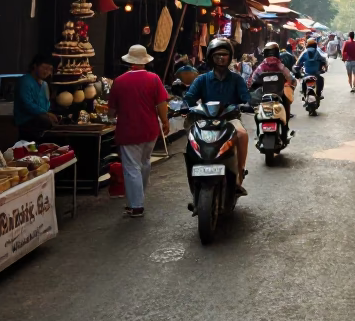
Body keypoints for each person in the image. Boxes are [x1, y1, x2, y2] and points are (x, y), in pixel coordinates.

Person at [107, 45, 170, 219]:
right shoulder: (154, 79)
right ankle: (137, 199)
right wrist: (165, 121)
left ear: (129, 61)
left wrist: (112, 115)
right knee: (145, 162)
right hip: (150, 129)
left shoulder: (119, 81)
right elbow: (161, 104)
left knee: (132, 167)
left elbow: (111, 111)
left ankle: (136, 206)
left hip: (129, 130)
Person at [184, 38, 252, 193]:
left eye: (224, 54)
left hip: (230, 119)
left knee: (242, 134)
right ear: (210, 58)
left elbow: (245, 97)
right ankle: (194, 176)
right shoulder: (202, 79)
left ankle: (239, 175)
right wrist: (186, 107)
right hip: (205, 120)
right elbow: (189, 98)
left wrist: (245, 104)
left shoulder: (236, 79)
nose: (221, 58)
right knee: (192, 140)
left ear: (230, 57)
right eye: (217, 55)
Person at [14, 53, 58, 142]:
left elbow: (46, 104)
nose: (47, 72)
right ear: (35, 66)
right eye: (44, 68)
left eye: (50, 69)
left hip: (41, 121)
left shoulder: (44, 84)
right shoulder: (25, 81)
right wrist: (46, 114)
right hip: (27, 122)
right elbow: (27, 104)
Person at [249, 42, 296, 117]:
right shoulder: (280, 65)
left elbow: (252, 80)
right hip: (279, 94)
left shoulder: (261, 67)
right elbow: (291, 78)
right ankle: (286, 125)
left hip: (263, 95)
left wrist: (251, 87)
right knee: (286, 103)